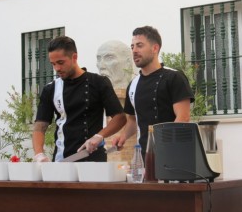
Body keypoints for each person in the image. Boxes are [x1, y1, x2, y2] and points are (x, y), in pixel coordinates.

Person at [32, 36, 126, 162]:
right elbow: (40, 127)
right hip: (62, 159)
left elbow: (120, 118)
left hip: (93, 159)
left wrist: (99, 136)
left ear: (74, 57)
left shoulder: (99, 82)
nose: (57, 68)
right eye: (53, 64)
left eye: (60, 62)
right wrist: (39, 154)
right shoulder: (51, 89)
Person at [112, 26, 194, 159]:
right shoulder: (133, 85)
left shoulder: (174, 77)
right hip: (145, 157)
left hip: (173, 155)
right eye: (132, 47)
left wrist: (165, 149)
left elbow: (183, 118)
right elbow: (133, 120)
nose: (134, 51)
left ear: (155, 48)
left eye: (139, 45)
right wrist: (123, 136)